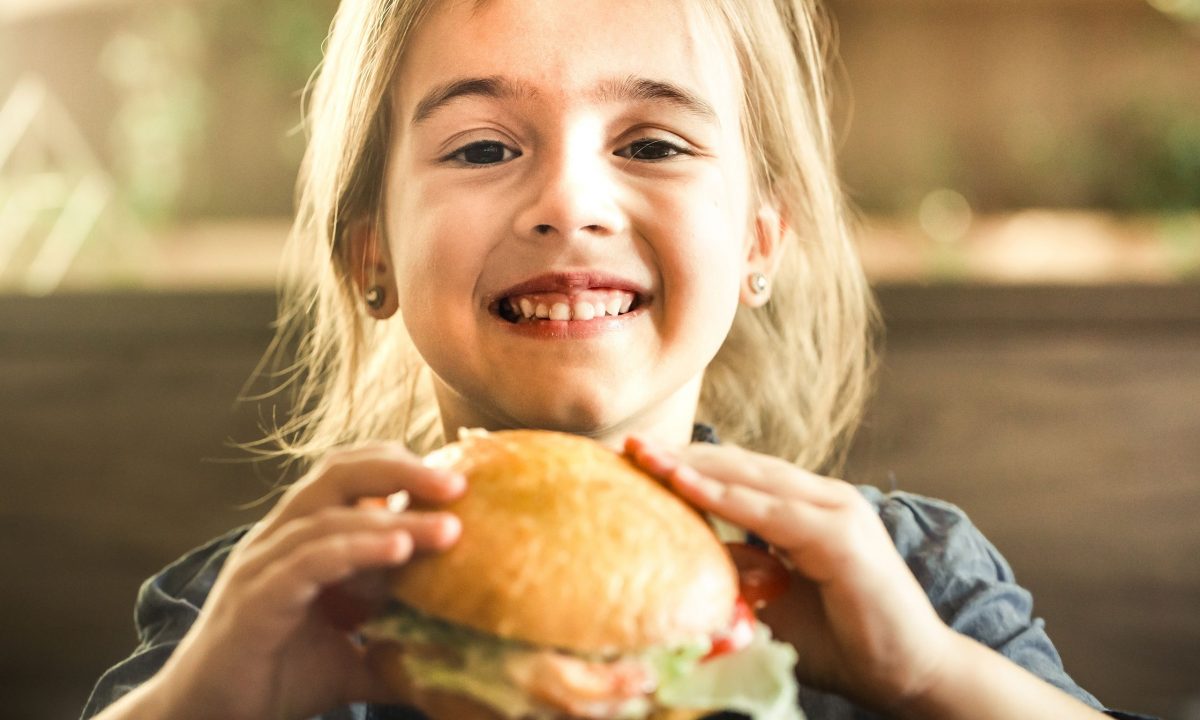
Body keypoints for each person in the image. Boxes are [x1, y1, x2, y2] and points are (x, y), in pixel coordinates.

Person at [83, 0, 1152, 719]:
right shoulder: (261, 606)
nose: (568, 205)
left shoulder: (911, 577)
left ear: (755, 243)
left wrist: (928, 676)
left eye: (651, 144)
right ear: (371, 250)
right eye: (484, 147)